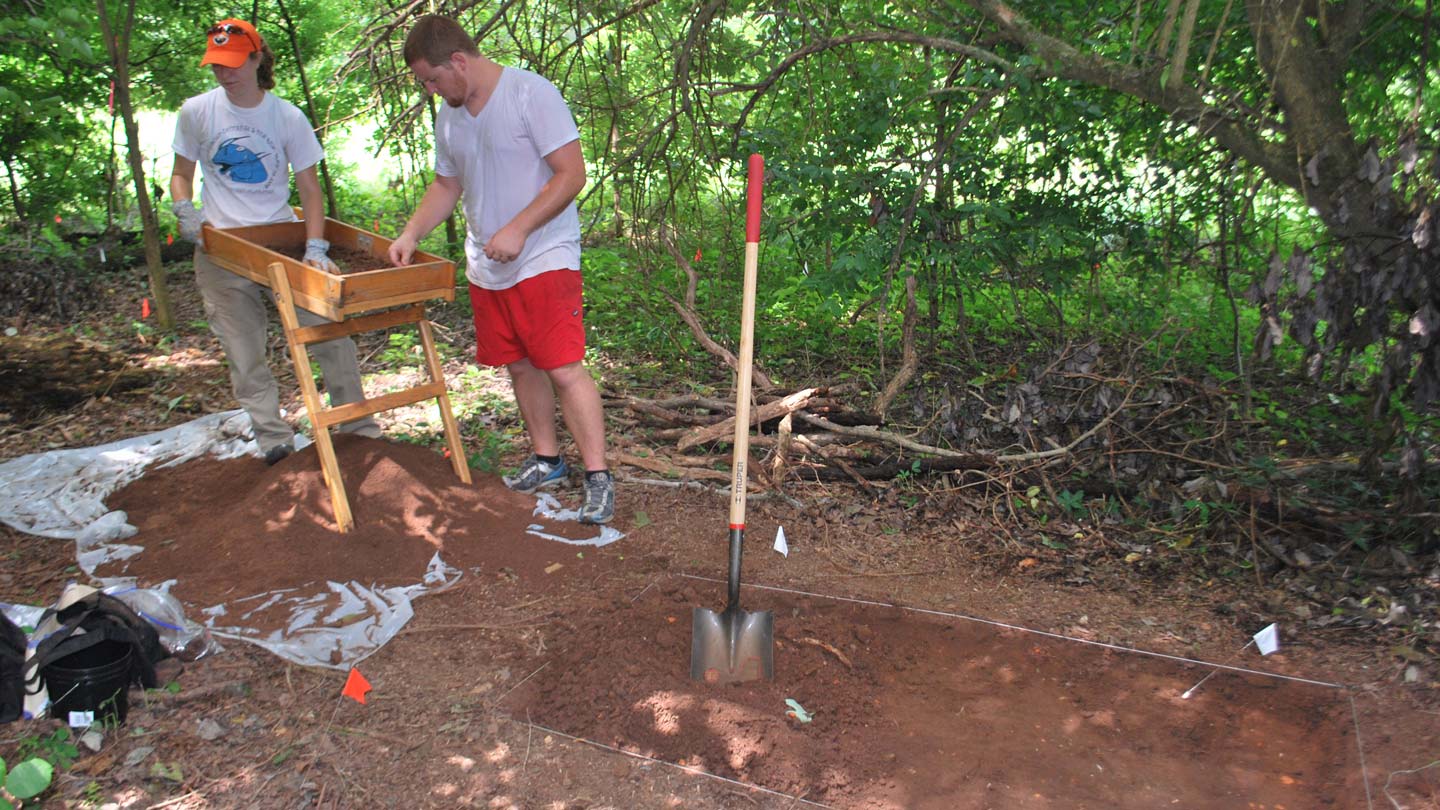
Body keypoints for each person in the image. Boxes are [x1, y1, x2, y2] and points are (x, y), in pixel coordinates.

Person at [387, 14, 613, 524]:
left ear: (459, 62)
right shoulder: (450, 114)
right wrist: (410, 233)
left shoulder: (530, 94)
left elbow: (571, 173)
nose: (429, 89)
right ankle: (547, 460)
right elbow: (447, 185)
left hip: (544, 253)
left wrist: (520, 227)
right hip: (488, 263)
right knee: (519, 363)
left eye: (432, 78)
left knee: (561, 364)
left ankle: (598, 476)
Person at [170, 18, 380, 465]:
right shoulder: (196, 112)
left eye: (233, 64)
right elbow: (181, 174)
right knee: (243, 350)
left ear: (257, 58)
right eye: (217, 66)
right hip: (222, 247)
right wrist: (184, 208)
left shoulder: (285, 116)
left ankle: (357, 428)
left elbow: (309, 190)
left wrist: (315, 246)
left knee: (328, 334)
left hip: (281, 241)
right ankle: (273, 438)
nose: (225, 74)